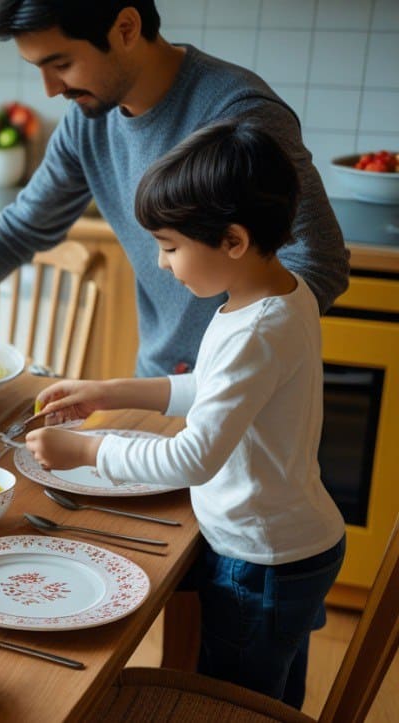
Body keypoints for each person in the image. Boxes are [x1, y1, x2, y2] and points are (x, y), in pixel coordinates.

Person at [25, 119, 346, 709]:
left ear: (232, 241)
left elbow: (192, 457)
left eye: (170, 246)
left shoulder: (256, 330)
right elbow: (215, 389)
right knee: (273, 699)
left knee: (235, 704)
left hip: (262, 562)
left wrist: (84, 451)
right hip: (289, 544)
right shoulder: (277, 296)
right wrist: (110, 391)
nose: (162, 263)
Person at [0, 0, 349, 378]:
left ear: (126, 28)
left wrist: (233, 359)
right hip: (156, 382)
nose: (50, 89)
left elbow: (320, 260)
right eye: (39, 69)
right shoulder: (88, 122)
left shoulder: (240, 115)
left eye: (61, 63)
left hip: (241, 387)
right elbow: (21, 229)